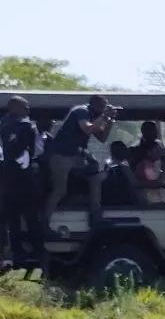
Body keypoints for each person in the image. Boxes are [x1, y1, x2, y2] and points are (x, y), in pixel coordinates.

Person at [44, 95, 115, 229]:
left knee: (95, 174)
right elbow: (87, 128)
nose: (105, 108)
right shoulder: (81, 111)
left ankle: (96, 214)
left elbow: (102, 137)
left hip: (76, 156)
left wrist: (110, 120)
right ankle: (44, 221)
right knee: (60, 190)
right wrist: (104, 116)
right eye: (103, 106)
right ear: (95, 104)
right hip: (61, 155)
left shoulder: (95, 115)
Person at [1, 96, 43, 268]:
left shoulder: (2, 126)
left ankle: (17, 253)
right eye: (26, 107)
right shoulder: (28, 127)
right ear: (16, 108)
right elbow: (37, 151)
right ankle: (37, 251)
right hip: (24, 179)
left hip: (6, 180)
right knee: (31, 217)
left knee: (13, 220)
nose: (28, 109)